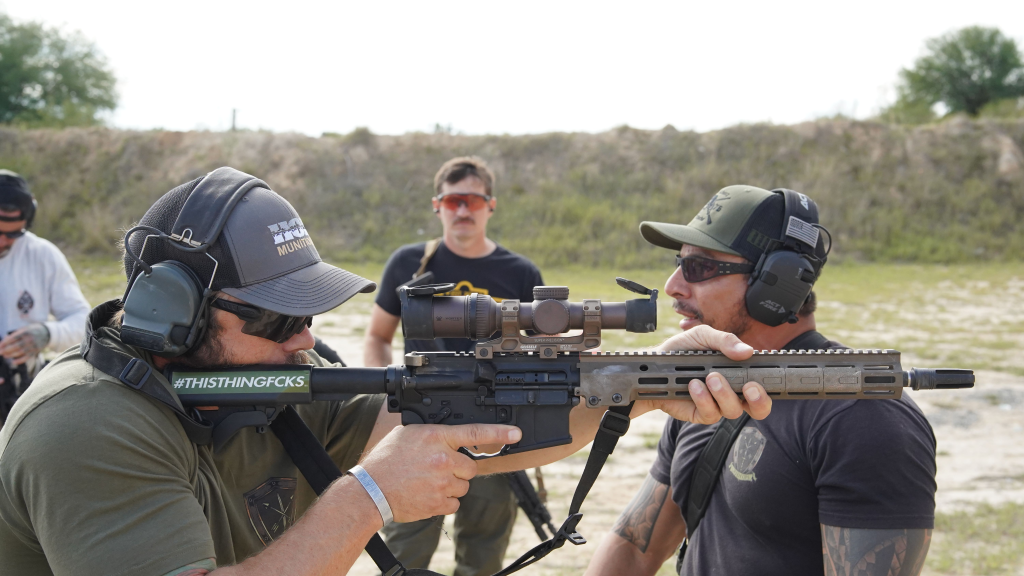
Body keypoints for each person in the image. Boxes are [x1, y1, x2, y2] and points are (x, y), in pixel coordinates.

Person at [0, 168, 772, 576]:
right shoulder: (84, 424)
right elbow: (378, 480)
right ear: (173, 315)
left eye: (308, 313)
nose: (306, 338)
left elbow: (466, 429)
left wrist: (637, 383)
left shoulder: (276, 383)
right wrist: (369, 496)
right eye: (277, 319)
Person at [585, 185, 936, 576]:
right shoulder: (701, 389)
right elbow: (635, 547)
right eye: (679, 263)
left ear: (777, 283)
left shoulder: (861, 417)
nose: (673, 285)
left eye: (698, 268)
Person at [364, 156, 545, 576]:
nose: (463, 210)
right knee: (403, 556)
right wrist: (386, 399)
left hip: (496, 433)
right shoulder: (409, 264)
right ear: (437, 205)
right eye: (452, 200)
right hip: (420, 429)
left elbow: (542, 351)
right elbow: (377, 337)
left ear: (491, 206)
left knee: (483, 557)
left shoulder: (520, 272)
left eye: (473, 201)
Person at [0, 169, 90, 418]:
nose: (2, 242)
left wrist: (47, 333)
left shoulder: (42, 255)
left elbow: (83, 322)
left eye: (12, 234)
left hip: (23, 390)